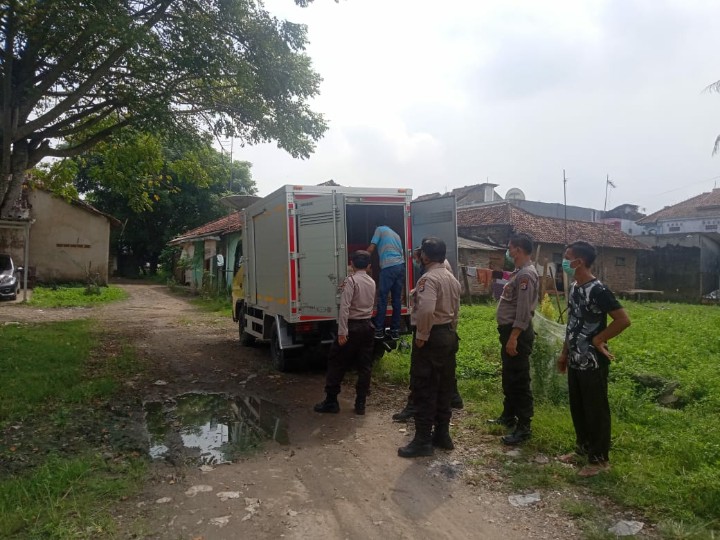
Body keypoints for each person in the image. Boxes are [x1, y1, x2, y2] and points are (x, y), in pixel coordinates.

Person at [557, 240, 630, 477]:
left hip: (593, 361)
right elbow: (573, 323)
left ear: (580, 262)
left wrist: (599, 339)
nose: (564, 261)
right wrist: (564, 353)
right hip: (576, 359)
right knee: (578, 408)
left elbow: (622, 320)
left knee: (595, 410)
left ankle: (599, 460)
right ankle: (582, 449)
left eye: (568, 257)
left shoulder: (598, 290)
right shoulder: (575, 287)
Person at [397, 237, 461, 458]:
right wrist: (452, 328)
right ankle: (442, 435)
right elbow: (456, 308)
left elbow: (425, 310)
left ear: (425, 255)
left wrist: (422, 335)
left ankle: (423, 440)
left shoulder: (428, 279)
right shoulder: (451, 278)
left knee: (424, 387)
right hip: (448, 335)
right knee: (444, 387)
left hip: (432, 336)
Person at [488, 232, 539, 445]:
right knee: (510, 376)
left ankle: (524, 426)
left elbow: (523, 310)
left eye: (510, 248)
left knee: (519, 379)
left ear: (518, 249)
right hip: (509, 333)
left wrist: (514, 337)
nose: (508, 252)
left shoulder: (526, 275)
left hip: (516, 333)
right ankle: (508, 415)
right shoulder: (519, 272)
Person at [314, 250, 377, 415]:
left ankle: (331, 401)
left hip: (352, 327)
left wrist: (342, 332)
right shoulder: (371, 281)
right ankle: (361, 403)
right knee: (364, 366)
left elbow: (344, 308)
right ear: (369, 265)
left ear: (352, 263)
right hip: (367, 326)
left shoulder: (351, 281)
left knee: (337, 362)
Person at [367, 222, 405, 340]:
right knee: (396, 300)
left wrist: (360, 258)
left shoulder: (379, 229)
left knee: (382, 298)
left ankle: (378, 330)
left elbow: (372, 248)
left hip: (388, 266)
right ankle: (395, 331)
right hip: (400, 266)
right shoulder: (396, 235)